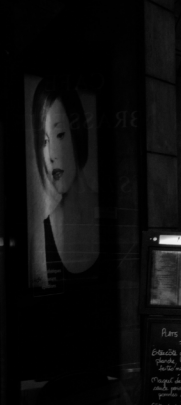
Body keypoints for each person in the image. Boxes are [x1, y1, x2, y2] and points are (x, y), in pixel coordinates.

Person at [29, 78, 100, 288]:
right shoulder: (42, 237)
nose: (51, 156)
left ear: (77, 133)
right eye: (43, 141)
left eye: (60, 134)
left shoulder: (108, 214)